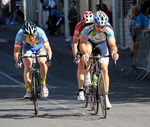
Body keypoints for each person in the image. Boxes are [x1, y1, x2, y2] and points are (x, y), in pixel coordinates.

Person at [80, 10, 119, 109]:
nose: (101, 29)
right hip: (89, 43)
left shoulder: (108, 29)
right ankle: (87, 74)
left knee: (104, 68)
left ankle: (105, 96)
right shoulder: (87, 28)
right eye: (98, 26)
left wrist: (114, 52)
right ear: (94, 24)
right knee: (88, 51)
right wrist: (84, 54)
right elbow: (82, 43)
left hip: (101, 45)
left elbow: (112, 45)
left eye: (103, 26)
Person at [14, 21, 52, 99]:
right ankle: (28, 91)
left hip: (39, 47)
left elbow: (48, 48)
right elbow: (17, 50)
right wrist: (18, 61)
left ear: (35, 33)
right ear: (24, 34)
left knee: (42, 62)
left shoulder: (40, 32)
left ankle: (43, 84)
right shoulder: (20, 34)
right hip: (27, 48)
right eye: (28, 36)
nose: (31, 38)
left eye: (33, 36)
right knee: (27, 65)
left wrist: (48, 59)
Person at [72, 11, 94, 101]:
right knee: (81, 64)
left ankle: (94, 74)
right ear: (83, 21)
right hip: (82, 44)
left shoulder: (96, 25)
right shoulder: (79, 26)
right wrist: (76, 56)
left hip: (93, 44)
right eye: (85, 23)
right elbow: (75, 43)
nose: (87, 25)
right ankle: (81, 90)